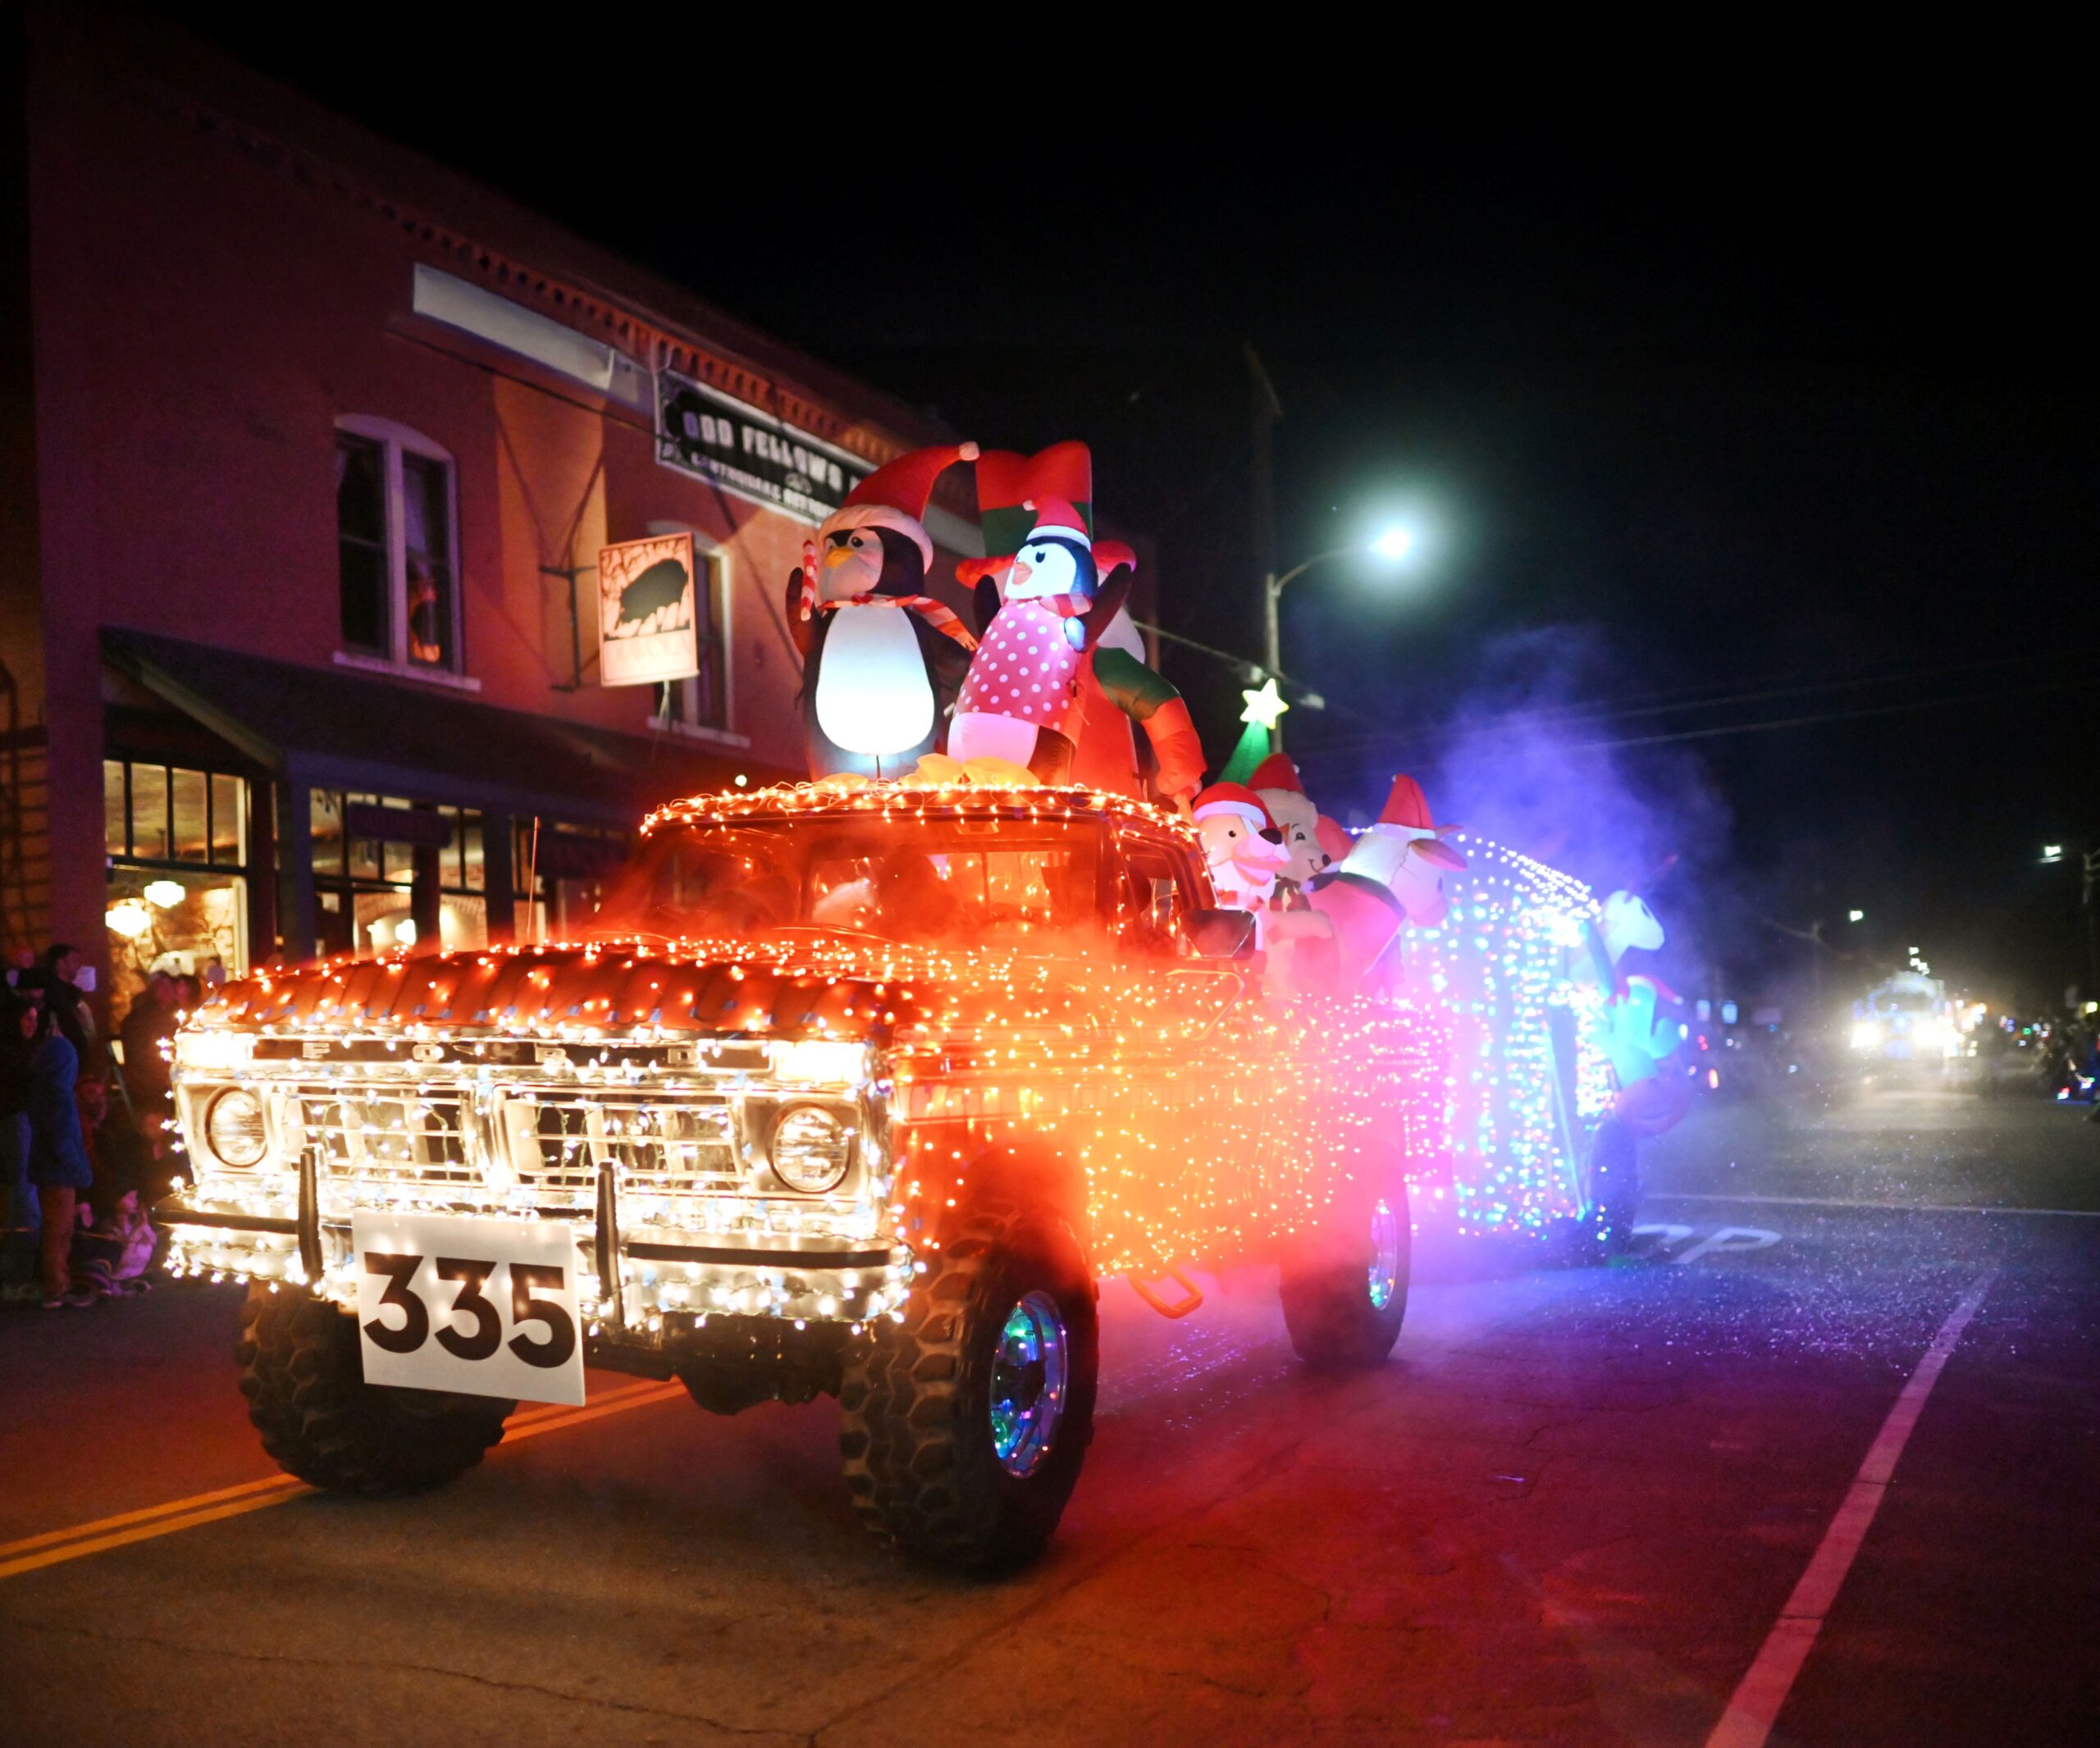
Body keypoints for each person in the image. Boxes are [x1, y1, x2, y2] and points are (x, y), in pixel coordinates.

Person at [22, 993, 98, 1309]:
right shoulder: (59, 1096)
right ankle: (57, 1287)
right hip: (58, 1170)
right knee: (59, 1229)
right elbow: (61, 1136)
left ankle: (59, 1282)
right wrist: (74, 1165)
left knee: (57, 1228)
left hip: (49, 1168)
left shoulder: (42, 1089)